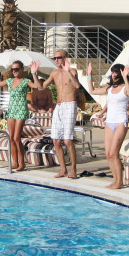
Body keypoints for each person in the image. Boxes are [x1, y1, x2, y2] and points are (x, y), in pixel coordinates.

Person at [86, 62, 129, 189]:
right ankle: (115, 180)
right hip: (109, 122)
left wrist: (125, 77)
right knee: (108, 153)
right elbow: (92, 90)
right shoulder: (109, 88)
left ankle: (120, 182)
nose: (114, 75)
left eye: (117, 72)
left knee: (114, 153)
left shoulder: (125, 88)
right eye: (113, 72)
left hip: (121, 121)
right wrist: (89, 75)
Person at [0, 59, 43, 171]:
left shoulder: (26, 81)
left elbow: (38, 86)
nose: (14, 71)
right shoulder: (9, 81)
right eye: (13, 69)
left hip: (21, 109)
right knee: (11, 138)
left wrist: (34, 73)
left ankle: (22, 163)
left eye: (17, 69)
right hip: (11, 109)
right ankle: (15, 162)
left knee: (16, 138)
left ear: (22, 69)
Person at [41, 49, 82, 179]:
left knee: (68, 140)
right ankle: (63, 169)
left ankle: (73, 169)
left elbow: (77, 86)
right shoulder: (54, 73)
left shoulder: (73, 71)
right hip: (58, 106)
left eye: (59, 57)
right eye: (55, 58)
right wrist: (34, 73)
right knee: (56, 140)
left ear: (65, 58)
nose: (56, 60)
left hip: (70, 104)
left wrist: (67, 71)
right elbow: (41, 87)